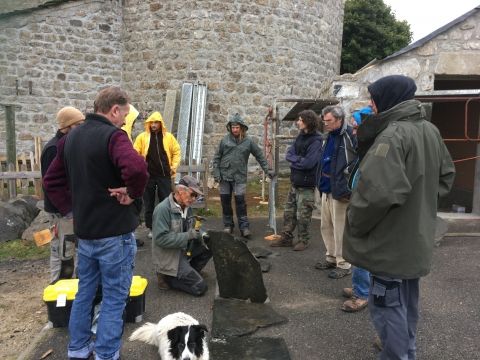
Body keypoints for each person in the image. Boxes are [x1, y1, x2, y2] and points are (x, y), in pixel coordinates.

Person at [343, 75, 455, 359]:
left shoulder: (393, 135)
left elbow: (376, 195)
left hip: (389, 243)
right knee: (408, 303)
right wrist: (421, 202)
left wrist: (354, 221)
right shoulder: (429, 130)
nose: (371, 105)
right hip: (414, 238)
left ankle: (397, 356)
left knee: (386, 304)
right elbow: (446, 177)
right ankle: (407, 351)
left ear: (387, 99)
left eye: (374, 99)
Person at [43, 86, 148, 360]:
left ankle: (78, 350)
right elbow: (137, 170)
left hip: (86, 234)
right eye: (125, 114)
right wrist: (132, 193)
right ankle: (105, 354)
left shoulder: (70, 138)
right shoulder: (114, 136)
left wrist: (71, 211)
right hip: (114, 234)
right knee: (114, 298)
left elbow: (50, 181)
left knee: (85, 294)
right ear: (114, 110)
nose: (126, 120)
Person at [41, 106, 84, 283]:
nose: (82, 128)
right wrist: (68, 210)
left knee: (72, 253)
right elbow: (50, 183)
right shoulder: (53, 149)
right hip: (61, 211)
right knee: (62, 254)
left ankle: (70, 293)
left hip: (70, 209)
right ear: (68, 126)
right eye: (79, 124)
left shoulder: (69, 144)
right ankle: (57, 296)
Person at [212, 113, 274, 238]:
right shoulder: (224, 141)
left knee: (240, 202)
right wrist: (216, 173)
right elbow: (216, 158)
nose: (235, 129)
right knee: (225, 202)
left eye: (237, 127)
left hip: (239, 176)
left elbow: (260, 156)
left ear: (242, 128)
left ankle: (244, 227)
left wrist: (267, 170)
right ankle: (228, 225)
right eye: (233, 127)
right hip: (224, 176)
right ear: (230, 128)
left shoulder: (248, 142)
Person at [269, 110, 322, 251]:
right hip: (295, 182)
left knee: (303, 215)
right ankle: (286, 238)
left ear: (307, 122)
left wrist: (296, 161)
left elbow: (309, 163)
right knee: (289, 212)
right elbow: (289, 155)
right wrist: (298, 160)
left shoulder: (317, 140)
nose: (297, 122)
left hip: (307, 184)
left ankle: (303, 240)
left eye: (300, 120)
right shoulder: (300, 136)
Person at [314, 105, 356, 279]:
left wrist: (347, 186)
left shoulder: (350, 135)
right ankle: (331, 257)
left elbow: (357, 162)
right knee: (326, 226)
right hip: (326, 187)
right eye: (324, 121)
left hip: (340, 190)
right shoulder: (328, 136)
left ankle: (344, 263)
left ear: (339, 119)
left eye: (329, 121)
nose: (325, 124)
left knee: (341, 229)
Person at [152, 175, 212, 296]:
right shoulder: (162, 209)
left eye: (197, 196)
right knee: (200, 287)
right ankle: (168, 278)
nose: (194, 199)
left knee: (211, 243)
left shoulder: (186, 207)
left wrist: (202, 234)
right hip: (169, 256)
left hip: (182, 250)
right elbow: (160, 239)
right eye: (193, 194)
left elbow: (193, 227)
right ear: (180, 191)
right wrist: (188, 236)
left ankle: (190, 271)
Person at [341, 105, 374, 312]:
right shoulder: (365, 145)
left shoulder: (375, 148)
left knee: (361, 251)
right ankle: (359, 286)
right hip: (359, 202)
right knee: (357, 250)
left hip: (366, 207)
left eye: (356, 127)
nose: (353, 131)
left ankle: (362, 294)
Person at [134, 111, 180, 239]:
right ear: (148, 124)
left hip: (164, 175)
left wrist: (173, 167)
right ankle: (152, 228)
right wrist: (140, 167)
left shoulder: (168, 137)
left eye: (156, 123)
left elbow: (176, 151)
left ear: (160, 124)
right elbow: (135, 152)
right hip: (147, 176)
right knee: (148, 203)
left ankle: (166, 226)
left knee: (166, 201)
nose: (153, 125)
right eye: (151, 122)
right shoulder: (142, 137)